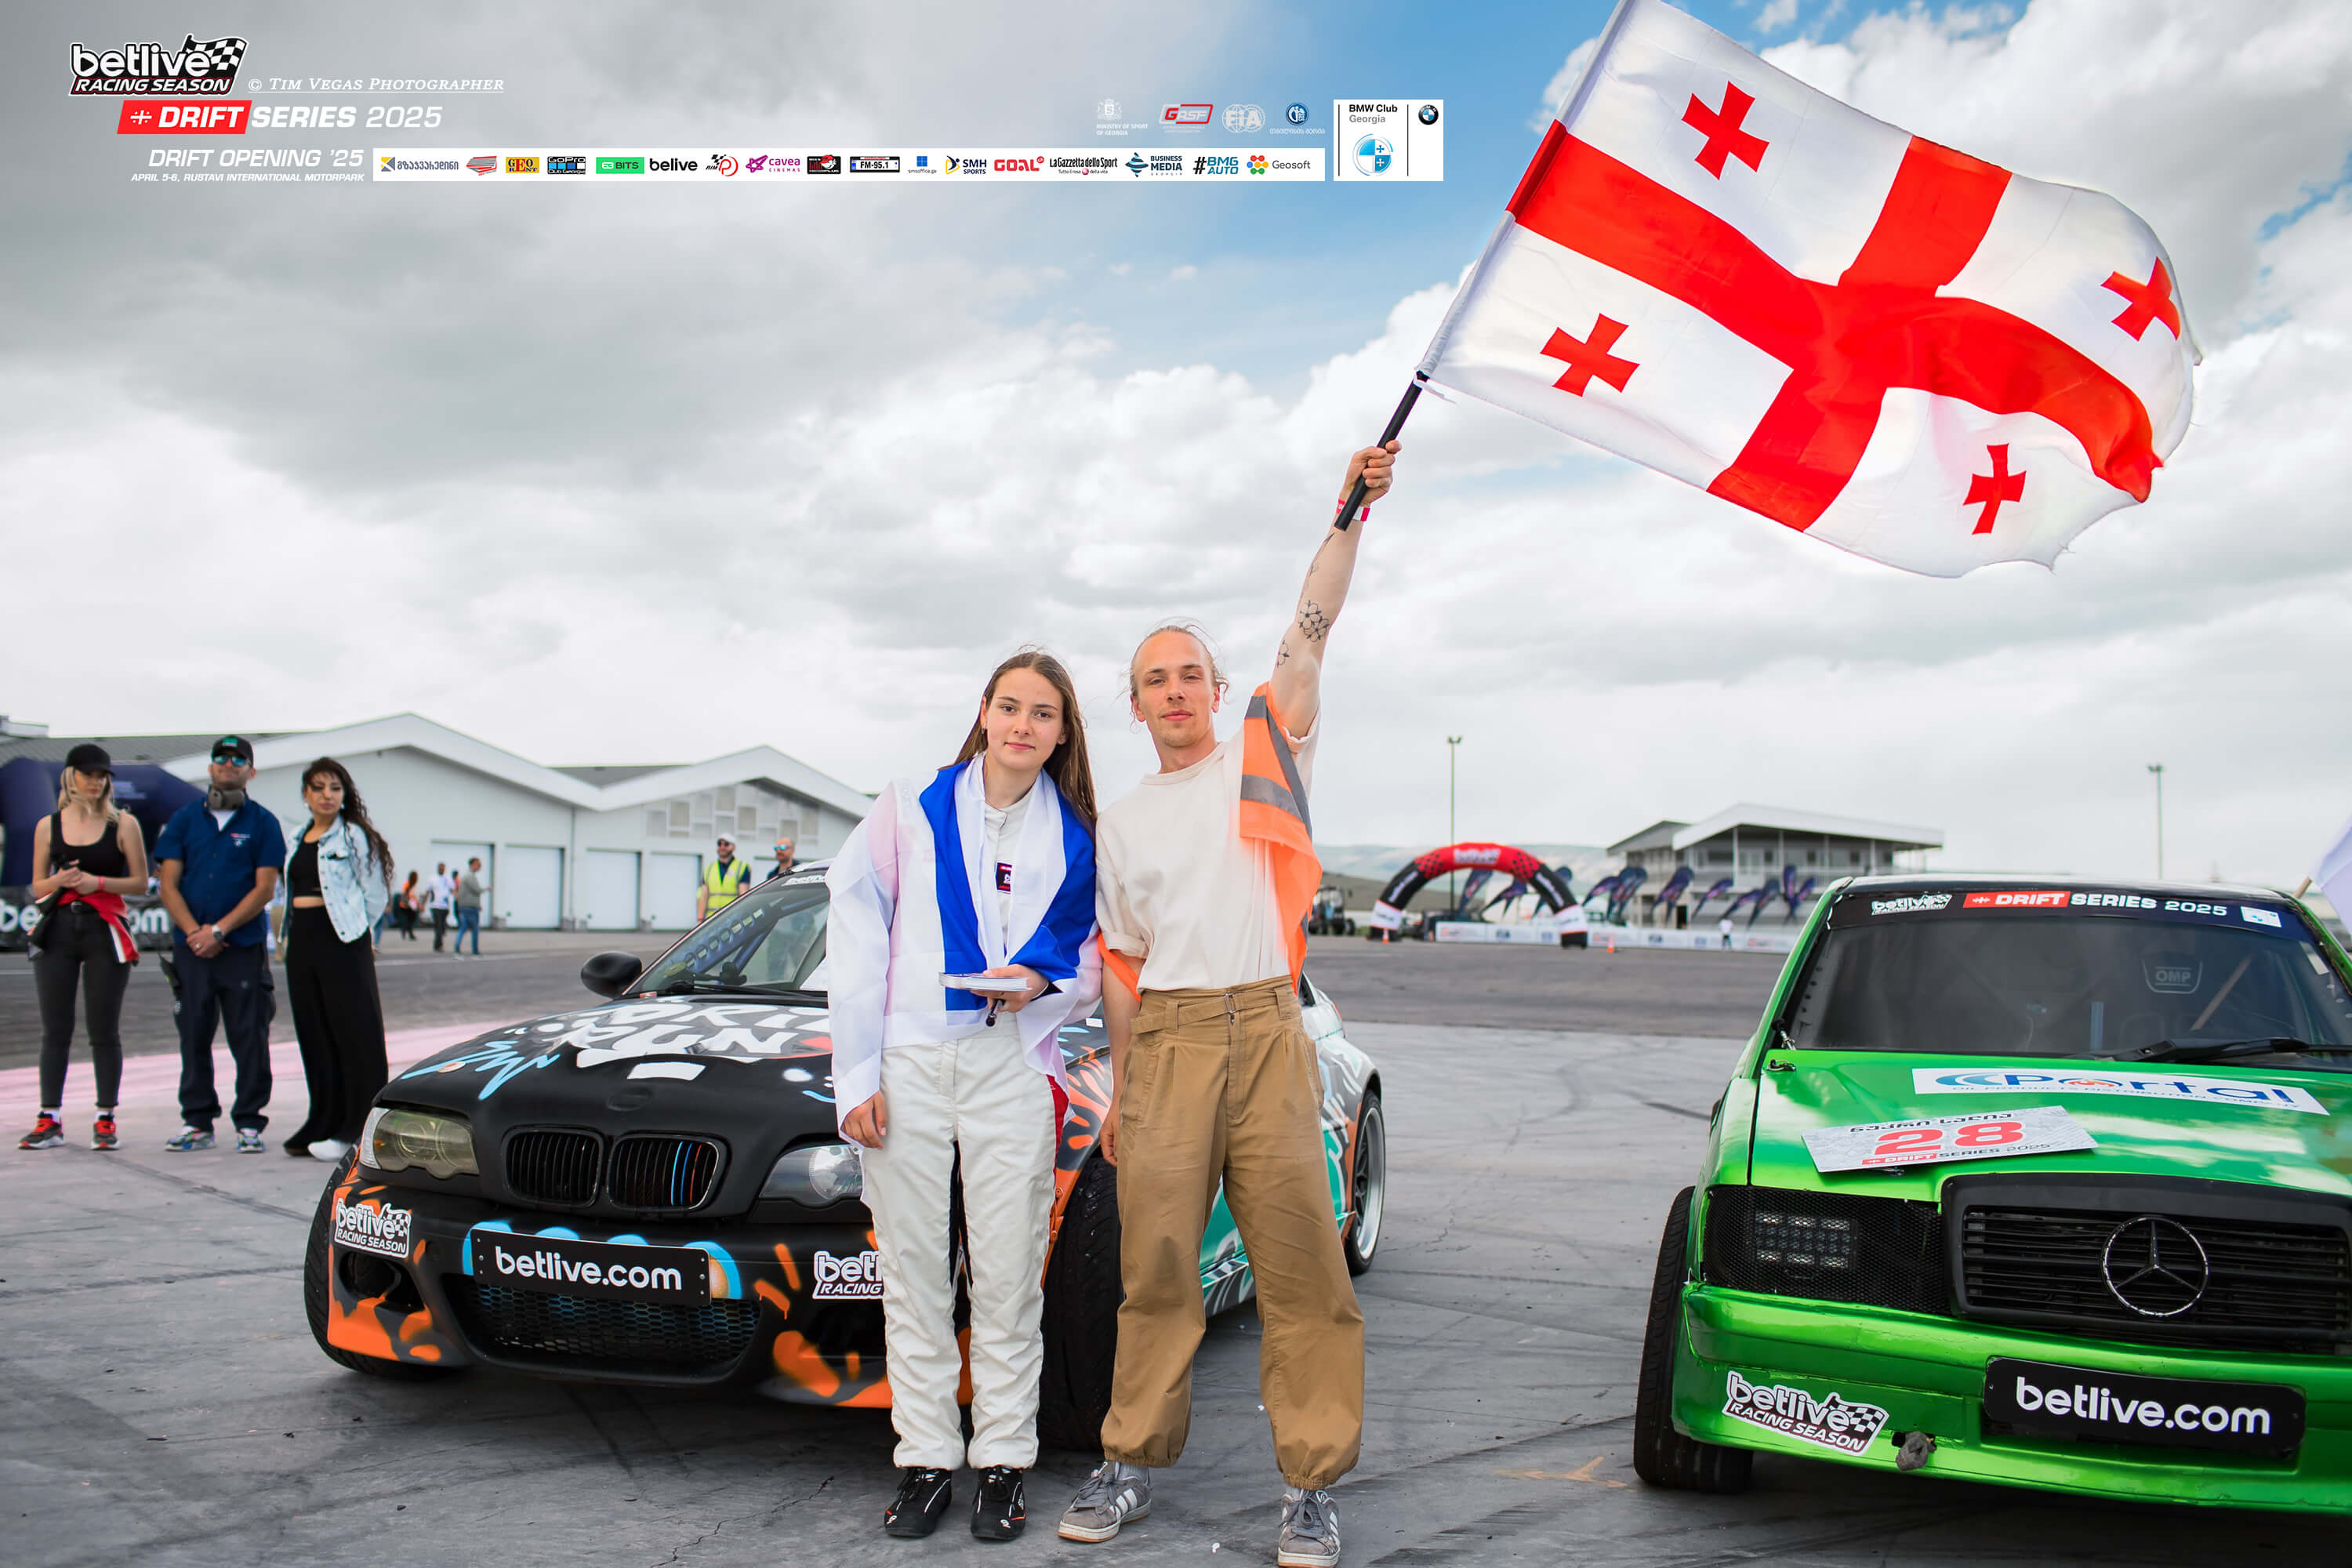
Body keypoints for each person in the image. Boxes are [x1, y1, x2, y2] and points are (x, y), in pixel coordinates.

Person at [1059, 441, 1399, 1568]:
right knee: (1155, 1269)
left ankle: (1309, 1487)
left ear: (1215, 689)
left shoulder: (1266, 744)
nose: (1173, 691)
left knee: (1303, 1267)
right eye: (1154, 679)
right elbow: (1123, 963)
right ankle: (1127, 1461)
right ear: (1133, 703)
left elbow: (1311, 628)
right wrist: (1123, 1087)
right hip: (1166, 1042)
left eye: (1189, 674)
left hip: (1265, 1032)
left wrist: (1348, 513)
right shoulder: (1122, 825)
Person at [828, 650, 1102, 1543]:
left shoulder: (1080, 835)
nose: (1024, 725)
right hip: (909, 1059)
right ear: (984, 711)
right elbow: (855, 928)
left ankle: (1004, 1462)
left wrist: (1042, 984)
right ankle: (924, 1460)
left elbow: (1092, 958)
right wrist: (856, 1076)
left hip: (1011, 1064)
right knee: (911, 1274)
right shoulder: (910, 804)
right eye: (1010, 706)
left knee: (1008, 1276)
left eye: (1043, 713)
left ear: (1062, 734)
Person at [154, 735, 287, 1153]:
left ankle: (249, 1122)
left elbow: (265, 889)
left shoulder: (264, 823)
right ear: (210, 767)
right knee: (193, 1032)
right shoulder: (184, 820)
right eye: (221, 758)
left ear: (251, 771)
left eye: (238, 759)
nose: (229, 764)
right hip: (191, 949)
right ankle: (197, 1121)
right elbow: (168, 884)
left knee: (249, 1035)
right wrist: (196, 932)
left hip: (241, 948)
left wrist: (219, 931)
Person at [20, 745, 148, 1152]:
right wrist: (61, 881)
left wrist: (98, 883)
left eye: (102, 775)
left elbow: (141, 882)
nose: (96, 782)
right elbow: (37, 886)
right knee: (55, 1029)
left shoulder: (124, 823)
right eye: (88, 774)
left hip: (104, 929)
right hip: (58, 929)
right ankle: (49, 1118)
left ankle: (105, 1117)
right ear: (70, 776)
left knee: (103, 1028)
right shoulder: (48, 825)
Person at [278, 758, 393, 1161]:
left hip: (342, 939)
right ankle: (322, 1121)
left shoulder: (354, 836)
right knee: (314, 1032)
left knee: (355, 1033)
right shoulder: (297, 837)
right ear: (306, 794)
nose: (327, 795)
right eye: (318, 787)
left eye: (335, 788)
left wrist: (361, 935)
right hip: (302, 940)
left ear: (345, 795)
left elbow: (375, 893)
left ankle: (356, 1129)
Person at [698, 835, 752, 921]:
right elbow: (703, 896)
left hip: (733, 919)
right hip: (711, 920)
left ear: (733, 847)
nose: (722, 847)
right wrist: (700, 919)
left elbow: (743, 896)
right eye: (719, 844)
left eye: (726, 844)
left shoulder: (742, 867)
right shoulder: (709, 868)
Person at [454, 856, 486, 956]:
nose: (480, 866)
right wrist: (487, 888)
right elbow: (477, 890)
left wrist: (478, 904)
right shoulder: (470, 877)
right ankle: (475, 950)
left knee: (463, 927)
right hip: (469, 907)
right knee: (475, 929)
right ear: (473, 864)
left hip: (465, 906)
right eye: (478, 864)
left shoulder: (467, 876)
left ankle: (457, 948)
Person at [425, 861, 452, 951]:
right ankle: (438, 945)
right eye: (440, 868)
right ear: (438, 869)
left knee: (443, 927)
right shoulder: (433, 879)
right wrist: (423, 904)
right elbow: (428, 891)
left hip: (445, 906)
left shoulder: (448, 879)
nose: (441, 870)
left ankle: (438, 944)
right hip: (435, 906)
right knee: (438, 926)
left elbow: (453, 890)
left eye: (443, 868)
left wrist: (458, 900)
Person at [395, 869, 422, 940]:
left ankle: (407, 931)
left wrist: (418, 904)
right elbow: (405, 894)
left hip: (413, 905)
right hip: (406, 905)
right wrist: (407, 902)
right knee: (407, 920)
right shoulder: (407, 884)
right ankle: (407, 932)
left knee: (412, 920)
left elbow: (416, 896)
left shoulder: (415, 885)